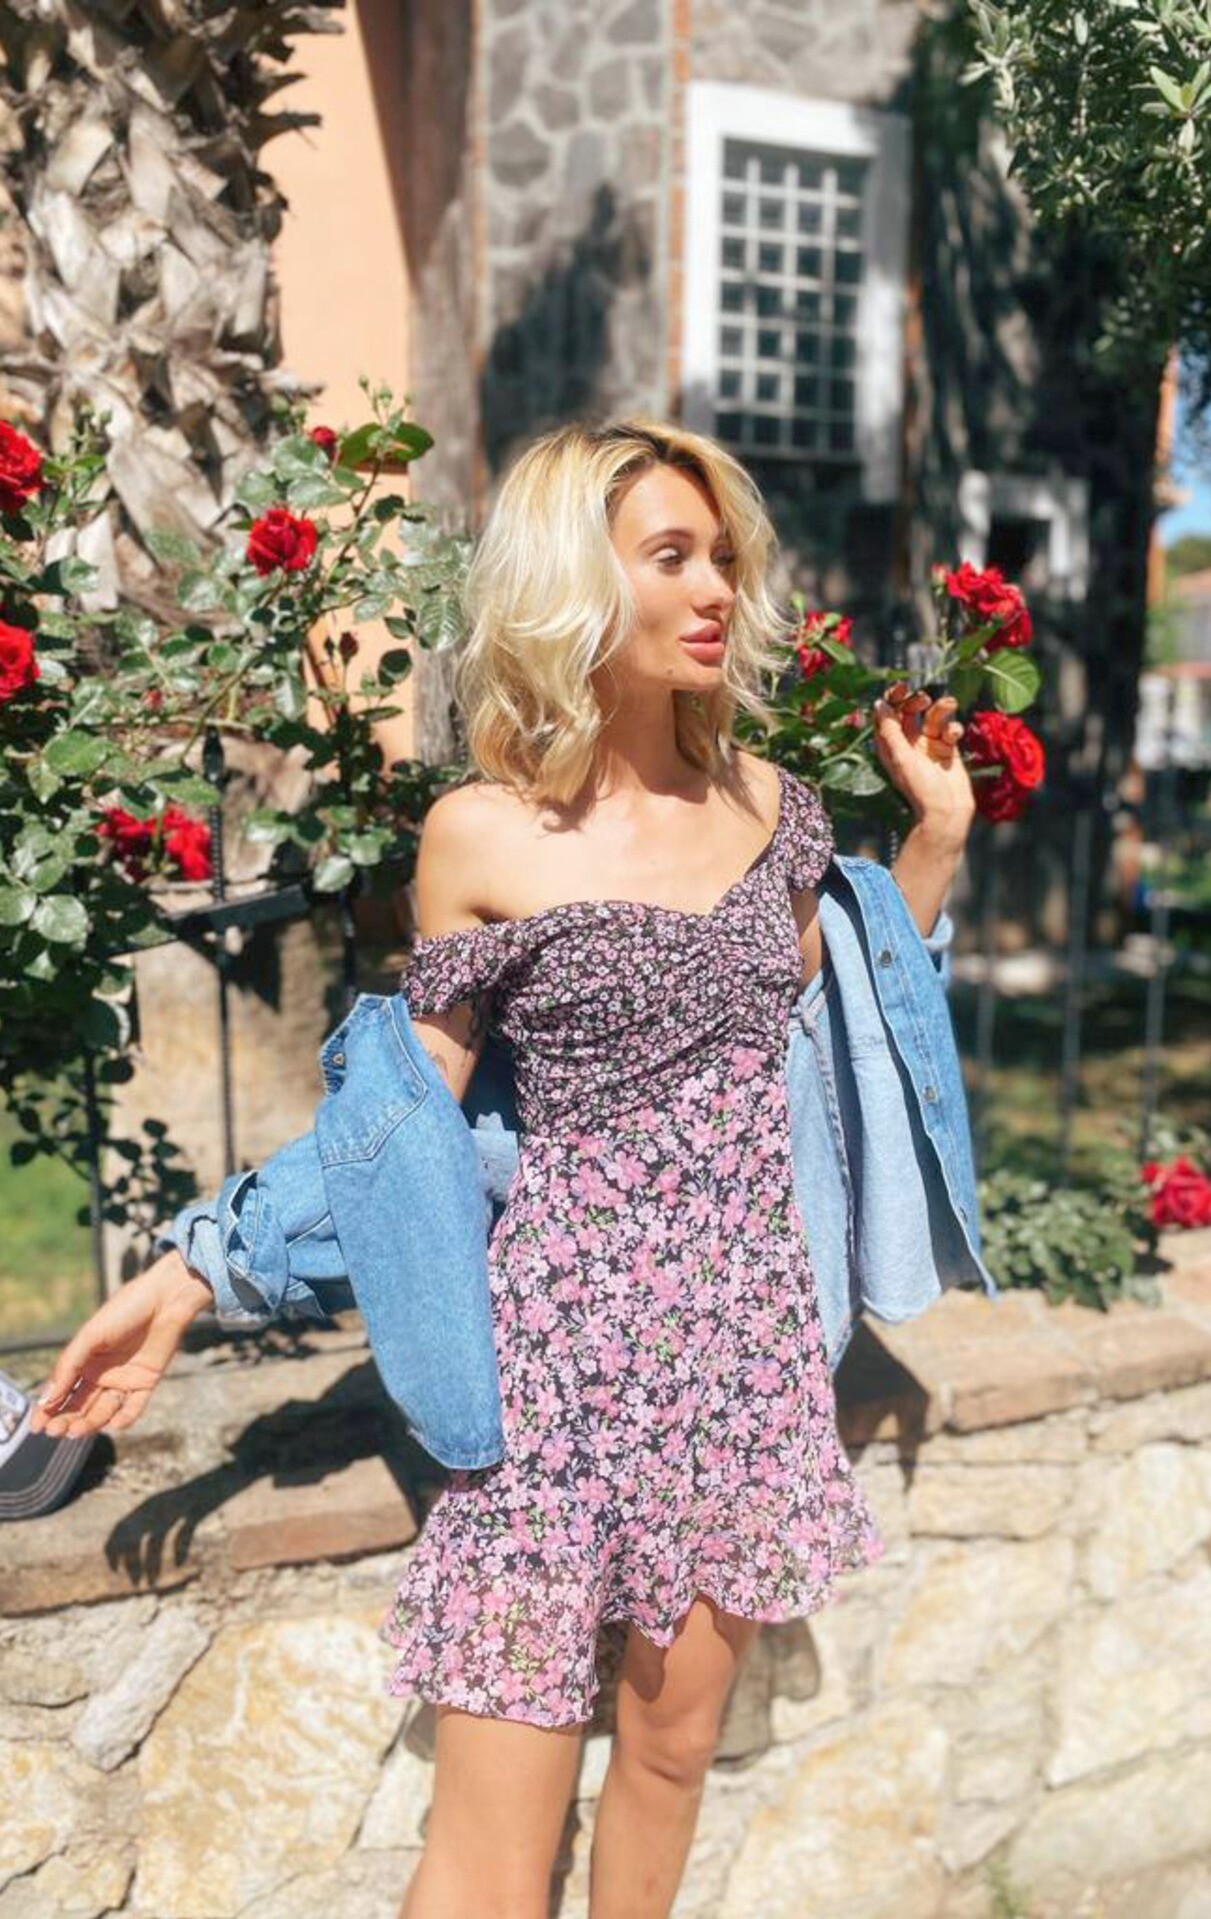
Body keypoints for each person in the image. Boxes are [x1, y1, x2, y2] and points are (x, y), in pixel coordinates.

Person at [31, 418, 974, 1919]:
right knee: (487, 1853)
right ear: (574, 583)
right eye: (672, 556)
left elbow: (830, 1022)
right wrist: (192, 1272)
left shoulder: (773, 808)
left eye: (722, 556)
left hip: (747, 1362)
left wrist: (935, 840)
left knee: (670, 1758)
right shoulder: (482, 837)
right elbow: (398, 1124)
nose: (716, 588)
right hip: (555, 1382)